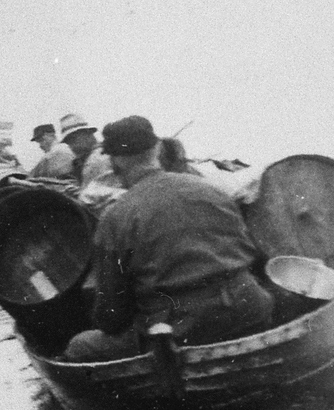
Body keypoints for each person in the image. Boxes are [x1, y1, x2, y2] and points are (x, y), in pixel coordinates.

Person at [62, 116, 274, 362]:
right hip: (249, 308)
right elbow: (253, 255)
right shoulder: (213, 190)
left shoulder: (115, 217)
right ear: (158, 149)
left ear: (115, 161)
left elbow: (112, 315)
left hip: (181, 331)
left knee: (80, 346)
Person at [58, 113, 113, 185]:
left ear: (85, 135)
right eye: (68, 141)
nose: (70, 146)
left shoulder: (94, 161)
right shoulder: (84, 161)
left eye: (72, 139)